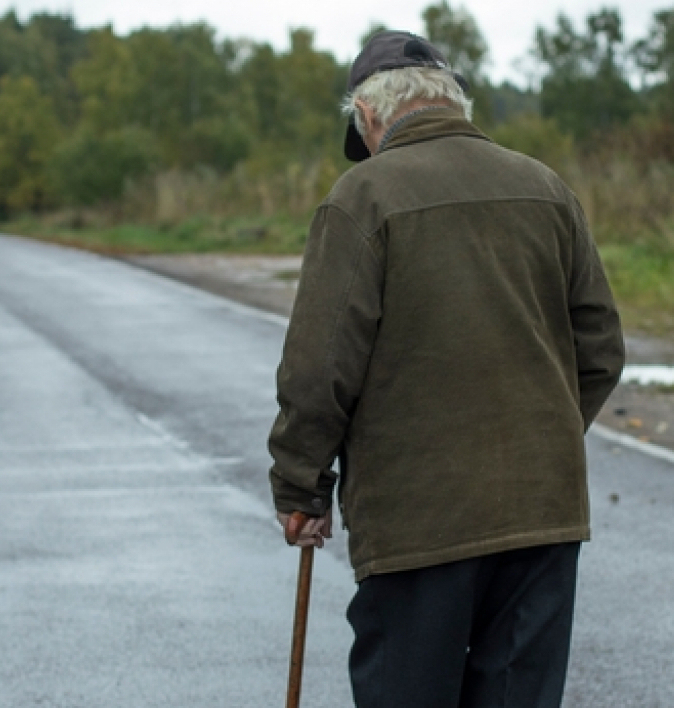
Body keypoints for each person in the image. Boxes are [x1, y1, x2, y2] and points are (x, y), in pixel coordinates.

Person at [266, 30, 625, 708]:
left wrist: (300, 486)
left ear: (367, 117)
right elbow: (601, 346)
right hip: (542, 516)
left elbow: (319, 369)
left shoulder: (362, 197)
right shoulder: (544, 187)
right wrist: (536, 440)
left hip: (417, 524)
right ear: (451, 100)